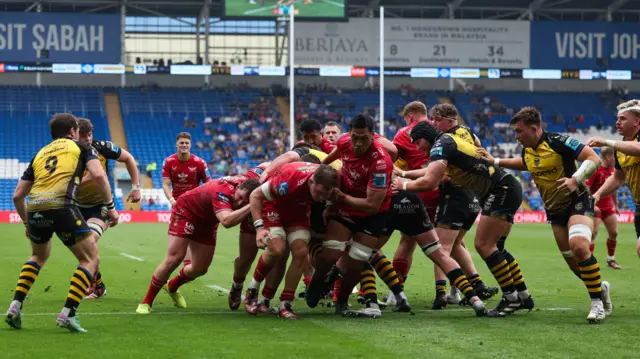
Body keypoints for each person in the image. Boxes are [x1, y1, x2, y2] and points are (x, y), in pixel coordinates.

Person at [480, 107, 611, 323]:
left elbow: (593, 158)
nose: (516, 136)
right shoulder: (528, 150)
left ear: (534, 128)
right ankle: (601, 288)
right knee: (574, 264)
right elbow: (526, 164)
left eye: (519, 131)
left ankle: (597, 303)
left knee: (579, 246)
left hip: (577, 201)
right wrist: (495, 161)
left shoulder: (559, 141)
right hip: (554, 210)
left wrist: (575, 179)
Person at [395, 120, 532, 317]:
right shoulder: (446, 142)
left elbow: (430, 181)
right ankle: (524, 295)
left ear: (426, 136)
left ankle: (511, 298)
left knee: (484, 245)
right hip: (505, 188)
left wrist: (403, 185)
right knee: (497, 247)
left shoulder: (441, 145)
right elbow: (430, 172)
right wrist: (405, 174)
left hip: (500, 190)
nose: (417, 148)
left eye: (418, 142)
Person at [5, 113, 119, 333]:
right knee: (90, 258)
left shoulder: (40, 153)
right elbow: (99, 176)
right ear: (73, 130)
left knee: (38, 256)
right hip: (63, 207)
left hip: (36, 207)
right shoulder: (82, 147)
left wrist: (28, 224)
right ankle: (68, 313)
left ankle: (15, 306)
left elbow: (18, 196)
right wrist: (111, 208)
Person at [397, 104, 498, 308]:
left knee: (439, 246)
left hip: (453, 196)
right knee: (457, 244)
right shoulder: (466, 132)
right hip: (473, 194)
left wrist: (404, 182)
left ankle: (442, 293)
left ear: (446, 121)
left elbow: (433, 177)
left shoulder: (443, 142)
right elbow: (479, 150)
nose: (433, 124)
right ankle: (476, 285)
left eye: (436, 121)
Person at [305, 114, 393, 318]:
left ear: (373, 136)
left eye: (364, 138)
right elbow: (329, 160)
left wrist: (342, 197)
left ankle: (342, 300)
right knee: (331, 253)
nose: (359, 143)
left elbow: (371, 205)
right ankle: (318, 282)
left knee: (356, 262)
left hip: (372, 213)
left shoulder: (380, 162)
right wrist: (319, 172)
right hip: (345, 206)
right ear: (350, 134)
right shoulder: (344, 141)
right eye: (355, 137)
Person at [136, 177, 260, 314]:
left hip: (208, 221)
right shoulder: (222, 191)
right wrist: (252, 204)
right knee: (175, 258)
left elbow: (264, 169)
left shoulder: (246, 181)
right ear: (238, 188)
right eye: (240, 197)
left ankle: (172, 286)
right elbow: (226, 221)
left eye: (244, 201)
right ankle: (146, 302)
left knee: (200, 268)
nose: (239, 202)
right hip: (187, 212)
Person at [244, 162, 339, 319]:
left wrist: (329, 205)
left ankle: (286, 303)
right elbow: (255, 195)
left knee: (301, 252)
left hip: (298, 211)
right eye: (319, 193)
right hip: (274, 207)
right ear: (311, 182)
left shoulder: (333, 178)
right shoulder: (290, 180)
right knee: (277, 249)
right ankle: (253, 290)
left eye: (325, 195)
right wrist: (259, 228)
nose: (322, 198)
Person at [76, 118, 142, 300]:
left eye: (89, 135)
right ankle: (99, 286)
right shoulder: (70, 154)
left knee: (88, 242)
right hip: (76, 206)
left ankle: (93, 286)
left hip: (101, 206)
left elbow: (128, 158)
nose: (88, 139)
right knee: (84, 249)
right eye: (83, 136)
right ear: (74, 135)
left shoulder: (102, 147)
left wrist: (136, 187)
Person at [386, 101, 440, 306]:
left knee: (407, 242)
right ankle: (452, 291)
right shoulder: (440, 129)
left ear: (409, 116)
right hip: (443, 191)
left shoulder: (403, 133)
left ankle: (396, 292)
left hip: (416, 191)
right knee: (450, 243)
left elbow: (391, 159)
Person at [587, 99, 640, 258]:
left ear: (637, 121)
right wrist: (597, 195)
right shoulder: (620, 149)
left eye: (623, 118)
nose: (617, 122)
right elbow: (617, 178)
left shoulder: (619, 146)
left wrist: (607, 142)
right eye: (617, 118)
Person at [162, 132, 211, 267]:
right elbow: (165, 184)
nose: (184, 145)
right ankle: (175, 263)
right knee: (176, 235)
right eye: (181, 143)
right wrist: (172, 200)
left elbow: (208, 184)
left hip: (194, 204)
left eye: (186, 143)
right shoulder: (169, 161)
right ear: (176, 144)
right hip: (177, 203)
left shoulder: (199, 163)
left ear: (190, 145)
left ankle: (188, 265)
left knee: (191, 234)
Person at [585, 147, 621, 269]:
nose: (615, 160)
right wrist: (590, 204)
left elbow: (614, 188)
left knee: (614, 232)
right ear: (607, 157)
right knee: (594, 233)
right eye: (613, 157)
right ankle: (589, 261)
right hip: (596, 206)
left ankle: (611, 259)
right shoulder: (596, 169)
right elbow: (587, 188)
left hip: (608, 206)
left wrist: (616, 204)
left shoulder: (613, 170)